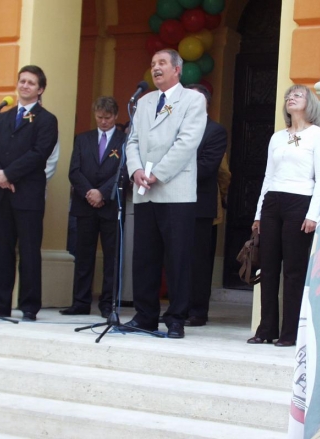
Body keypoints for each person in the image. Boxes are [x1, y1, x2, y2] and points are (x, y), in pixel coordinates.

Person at [124, 49, 207, 339]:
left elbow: (187, 142)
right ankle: (145, 316)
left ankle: (176, 319)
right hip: (144, 190)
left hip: (175, 191)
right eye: (152, 64)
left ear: (177, 69)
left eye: (161, 63)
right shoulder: (144, 101)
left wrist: (157, 173)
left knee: (177, 258)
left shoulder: (193, 100)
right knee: (144, 257)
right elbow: (132, 140)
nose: (155, 68)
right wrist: (135, 170)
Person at [248, 85, 320, 346]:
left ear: (310, 103)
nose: (290, 98)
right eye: (288, 96)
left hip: (300, 202)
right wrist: (259, 213)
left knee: (294, 270)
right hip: (273, 201)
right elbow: (268, 177)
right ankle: (266, 329)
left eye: (297, 95)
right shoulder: (277, 137)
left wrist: (314, 214)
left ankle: (290, 333)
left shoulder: (318, 135)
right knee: (268, 267)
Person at [0, 65, 58, 321]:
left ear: (40, 89)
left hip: (28, 195)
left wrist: (9, 174)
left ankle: (29, 306)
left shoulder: (47, 120)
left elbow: (39, 153)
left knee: (28, 251)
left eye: (31, 82)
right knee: (0, 250)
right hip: (2, 194)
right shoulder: (2, 117)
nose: (25, 85)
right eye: (22, 81)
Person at [63, 96, 127, 318]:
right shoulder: (83, 139)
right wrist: (90, 192)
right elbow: (74, 171)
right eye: (99, 117)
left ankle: (108, 304)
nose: (103, 121)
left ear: (116, 116)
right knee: (83, 255)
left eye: (107, 117)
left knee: (111, 257)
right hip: (85, 205)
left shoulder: (124, 140)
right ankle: (80, 302)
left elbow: (124, 171)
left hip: (110, 206)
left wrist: (102, 193)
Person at [183, 83, 228, 327]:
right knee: (176, 258)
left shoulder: (215, 131)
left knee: (198, 261)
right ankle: (178, 309)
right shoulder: (176, 127)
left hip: (200, 205)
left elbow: (208, 167)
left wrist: (171, 171)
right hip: (173, 202)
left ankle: (197, 311)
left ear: (206, 104)